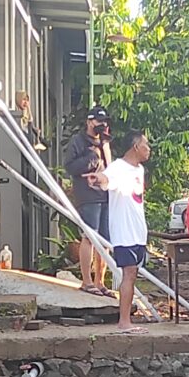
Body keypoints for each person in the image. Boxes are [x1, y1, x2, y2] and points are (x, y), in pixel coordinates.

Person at [88, 130, 152, 335]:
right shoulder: (118, 168)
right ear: (135, 147)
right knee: (129, 273)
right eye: (146, 145)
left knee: (132, 274)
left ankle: (126, 320)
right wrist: (97, 178)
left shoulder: (139, 170)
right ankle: (124, 321)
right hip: (124, 231)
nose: (148, 149)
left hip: (138, 229)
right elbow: (106, 179)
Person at [63, 105, 115, 298]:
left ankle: (100, 281)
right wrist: (92, 157)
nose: (102, 125)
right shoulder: (78, 141)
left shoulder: (105, 142)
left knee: (105, 241)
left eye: (104, 122)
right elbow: (70, 166)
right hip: (87, 195)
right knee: (89, 237)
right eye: (98, 122)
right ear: (89, 122)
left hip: (105, 194)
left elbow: (110, 167)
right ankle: (86, 280)